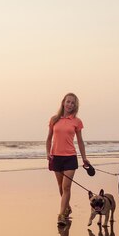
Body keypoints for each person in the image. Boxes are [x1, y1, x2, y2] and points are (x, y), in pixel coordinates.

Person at [46, 93, 91, 226]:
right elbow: (49, 139)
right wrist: (48, 153)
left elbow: (80, 141)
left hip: (70, 157)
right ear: (63, 102)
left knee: (66, 187)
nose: (70, 105)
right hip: (56, 157)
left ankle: (61, 215)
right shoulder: (54, 119)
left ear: (75, 106)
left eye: (73, 103)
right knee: (60, 186)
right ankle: (67, 208)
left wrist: (84, 158)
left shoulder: (77, 121)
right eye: (68, 102)